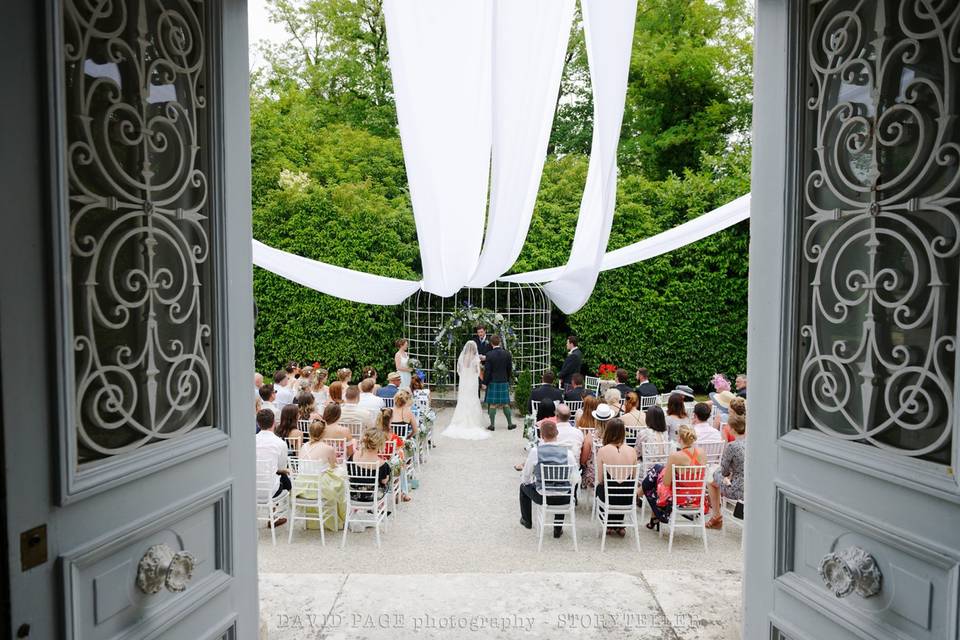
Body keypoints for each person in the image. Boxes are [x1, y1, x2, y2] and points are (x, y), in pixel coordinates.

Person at [518, 421, 581, 538]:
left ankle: (527, 520)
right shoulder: (568, 454)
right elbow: (576, 478)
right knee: (563, 488)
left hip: (542, 496)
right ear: (557, 434)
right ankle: (557, 529)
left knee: (523, 487)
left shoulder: (535, 452)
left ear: (541, 435)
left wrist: (530, 482)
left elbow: (526, 476)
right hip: (564, 498)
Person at [642, 424, 704, 530]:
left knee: (650, 483)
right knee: (657, 471)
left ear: (679, 438)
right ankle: (654, 518)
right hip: (697, 497)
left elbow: (666, 483)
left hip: (680, 499)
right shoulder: (702, 453)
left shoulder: (675, 456)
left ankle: (659, 515)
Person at [595, 417, 638, 536]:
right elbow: (634, 478)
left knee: (601, 487)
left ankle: (608, 523)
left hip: (609, 498)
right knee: (622, 486)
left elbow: (600, 479)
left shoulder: (603, 451)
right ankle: (618, 524)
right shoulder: (632, 451)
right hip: (627, 498)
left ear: (608, 432)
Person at [444, 340, 492, 440]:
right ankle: (473, 422)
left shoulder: (462, 357)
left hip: (464, 383)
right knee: (473, 399)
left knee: (463, 400)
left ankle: (460, 421)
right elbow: (478, 372)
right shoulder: (475, 359)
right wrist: (484, 380)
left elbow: (460, 371)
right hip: (472, 383)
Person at [706, 412, 746, 529]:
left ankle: (716, 516)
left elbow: (724, 471)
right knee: (715, 475)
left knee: (711, 479)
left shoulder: (732, 446)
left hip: (738, 489)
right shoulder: (754, 443)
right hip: (753, 486)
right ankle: (716, 518)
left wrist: (723, 474)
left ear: (732, 429)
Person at [255, 408, 291, 527]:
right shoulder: (279, 443)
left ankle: (274, 515)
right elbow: (281, 467)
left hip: (251, 489)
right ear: (274, 423)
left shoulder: (251, 441)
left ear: (258, 424)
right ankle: (273, 516)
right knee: (283, 476)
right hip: (271, 491)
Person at [376, 409, 412, 502]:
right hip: (388, 466)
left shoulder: (374, 436)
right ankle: (403, 492)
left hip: (376, 464)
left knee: (400, 459)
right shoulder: (394, 438)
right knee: (401, 459)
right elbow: (401, 450)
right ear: (390, 420)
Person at [347, 427, 392, 502]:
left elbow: (348, 473)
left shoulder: (354, 456)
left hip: (353, 495)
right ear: (380, 444)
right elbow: (384, 481)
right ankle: (378, 507)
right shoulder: (382, 463)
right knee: (387, 480)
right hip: (372, 497)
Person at [483, 335, 514, 431]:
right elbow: (509, 369)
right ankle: (510, 424)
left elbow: (487, 371)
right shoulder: (507, 354)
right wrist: (507, 379)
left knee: (492, 404)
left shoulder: (489, 355)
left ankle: (492, 425)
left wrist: (485, 382)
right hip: (503, 381)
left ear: (491, 343)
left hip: (493, 381)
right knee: (505, 404)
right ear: (500, 342)